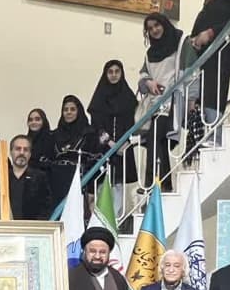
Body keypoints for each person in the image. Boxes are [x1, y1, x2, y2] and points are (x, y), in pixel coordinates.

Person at [136, 14, 186, 194]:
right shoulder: (150, 53)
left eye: (157, 25)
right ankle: (165, 185)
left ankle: (150, 181)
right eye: (150, 28)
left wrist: (192, 98)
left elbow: (190, 69)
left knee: (154, 138)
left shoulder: (180, 41)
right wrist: (148, 83)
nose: (154, 30)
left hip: (173, 100)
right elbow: (142, 76)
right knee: (160, 142)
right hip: (155, 103)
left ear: (164, 23)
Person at [187, 0, 230, 119]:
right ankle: (205, 136)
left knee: (214, 100)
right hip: (204, 62)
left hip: (221, 59)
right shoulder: (205, 9)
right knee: (201, 101)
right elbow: (195, 33)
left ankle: (213, 138)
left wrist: (211, 33)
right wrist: (194, 40)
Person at [87, 60, 139, 192]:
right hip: (103, 149)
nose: (114, 75)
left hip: (123, 149)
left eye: (117, 71)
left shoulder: (128, 98)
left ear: (122, 73)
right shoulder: (99, 99)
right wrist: (110, 143)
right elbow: (96, 127)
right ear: (105, 74)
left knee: (119, 188)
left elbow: (133, 123)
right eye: (110, 72)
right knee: (101, 187)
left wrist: (126, 143)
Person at [49, 96, 98, 205]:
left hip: (78, 179)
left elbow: (93, 160)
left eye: (72, 109)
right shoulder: (54, 134)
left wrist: (91, 189)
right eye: (65, 110)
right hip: (57, 180)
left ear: (79, 111)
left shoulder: (89, 133)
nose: (68, 112)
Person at [7, 135, 54, 221]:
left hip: (31, 230)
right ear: (11, 152)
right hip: (6, 229)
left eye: (26, 150)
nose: (22, 153)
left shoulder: (40, 177)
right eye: (18, 149)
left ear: (30, 154)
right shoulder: (3, 177)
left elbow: (46, 207)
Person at [25, 109, 55, 173]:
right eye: (30, 120)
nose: (33, 122)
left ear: (43, 121)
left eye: (37, 119)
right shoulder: (26, 141)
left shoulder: (51, 138)